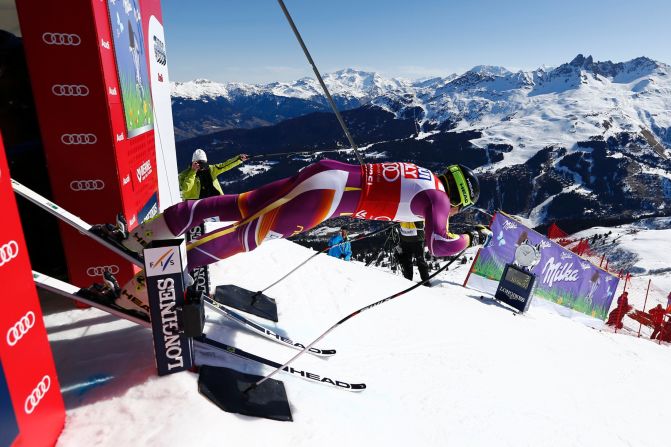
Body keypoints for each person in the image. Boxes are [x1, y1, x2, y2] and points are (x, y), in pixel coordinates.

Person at [107, 160, 490, 314]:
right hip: (325, 199)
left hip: (325, 174)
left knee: (236, 205)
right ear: (461, 198)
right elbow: (438, 244)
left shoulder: (425, 174)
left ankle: (144, 237)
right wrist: (470, 239)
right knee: (243, 236)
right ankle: (153, 283)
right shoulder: (438, 199)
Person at [178, 149, 249, 200]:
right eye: (198, 163)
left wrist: (239, 159)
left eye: (203, 163)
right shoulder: (184, 175)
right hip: (196, 205)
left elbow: (225, 165)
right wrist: (193, 172)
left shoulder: (211, 169)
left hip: (215, 201)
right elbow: (185, 189)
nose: (201, 166)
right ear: (193, 163)